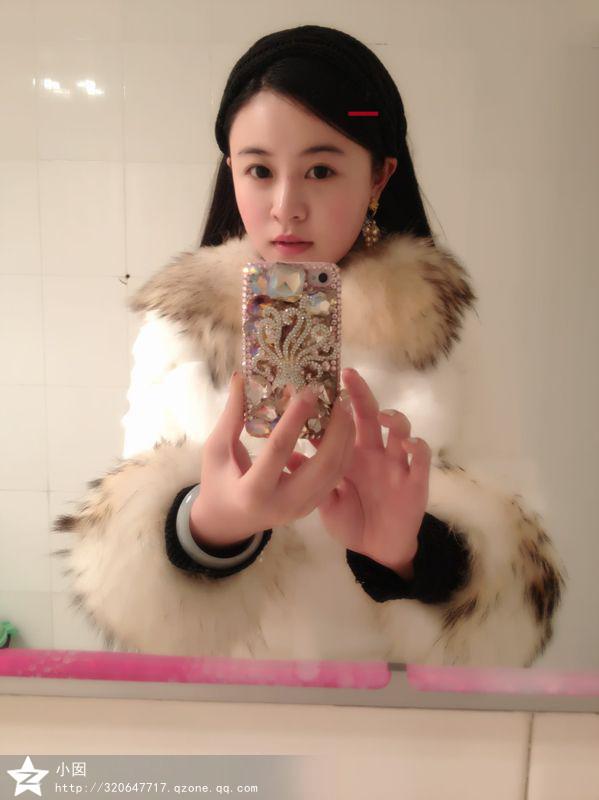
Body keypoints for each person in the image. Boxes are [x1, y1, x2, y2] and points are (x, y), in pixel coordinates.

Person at [52, 25, 567, 667]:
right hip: (227, 697)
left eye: (321, 170)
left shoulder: (444, 335)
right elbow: (125, 563)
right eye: (259, 170)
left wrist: (409, 554)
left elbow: (517, 578)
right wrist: (210, 529)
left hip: (388, 704)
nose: (286, 207)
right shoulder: (180, 327)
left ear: (379, 177)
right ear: (232, 172)